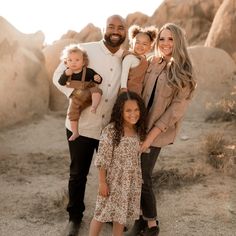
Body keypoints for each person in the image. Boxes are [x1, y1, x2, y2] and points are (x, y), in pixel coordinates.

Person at [53, 15, 126, 236]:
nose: (115, 31)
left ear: (125, 32)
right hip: (82, 125)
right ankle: (74, 218)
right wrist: (78, 95)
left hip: (110, 128)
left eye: (120, 28)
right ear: (104, 29)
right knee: (78, 173)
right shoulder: (84, 50)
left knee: (112, 174)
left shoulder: (127, 58)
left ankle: (110, 215)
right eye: (111, 26)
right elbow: (58, 75)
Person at [125, 23, 197, 236]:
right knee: (135, 173)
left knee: (143, 174)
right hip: (138, 125)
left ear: (179, 42)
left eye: (171, 39)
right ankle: (141, 220)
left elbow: (174, 111)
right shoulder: (152, 62)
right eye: (162, 39)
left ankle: (151, 224)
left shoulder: (184, 72)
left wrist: (149, 138)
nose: (165, 43)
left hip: (157, 132)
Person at [89, 91, 147, 236]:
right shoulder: (111, 131)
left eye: (136, 110)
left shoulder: (138, 130)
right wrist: (102, 182)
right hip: (112, 181)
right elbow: (103, 159)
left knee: (120, 216)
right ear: (120, 111)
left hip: (129, 182)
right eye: (128, 110)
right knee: (101, 213)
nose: (133, 114)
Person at [58, 44, 103, 141]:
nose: (73, 62)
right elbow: (61, 83)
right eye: (70, 60)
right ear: (66, 62)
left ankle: (94, 106)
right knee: (72, 112)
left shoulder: (88, 71)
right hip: (77, 96)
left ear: (83, 62)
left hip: (89, 92)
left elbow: (98, 80)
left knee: (97, 91)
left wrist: (97, 78)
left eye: (77, 60)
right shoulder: (67, 73)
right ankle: (75, 132)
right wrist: (65, 74)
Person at [120, 25, 158, 96]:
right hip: (128, 92)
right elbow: (124, 73)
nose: (140, 46)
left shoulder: (145, 60)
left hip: (138, 92)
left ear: (150, 47)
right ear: (131, 43)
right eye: (137, 42)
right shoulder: (129, 57)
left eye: (144, 44)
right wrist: (123, 88)